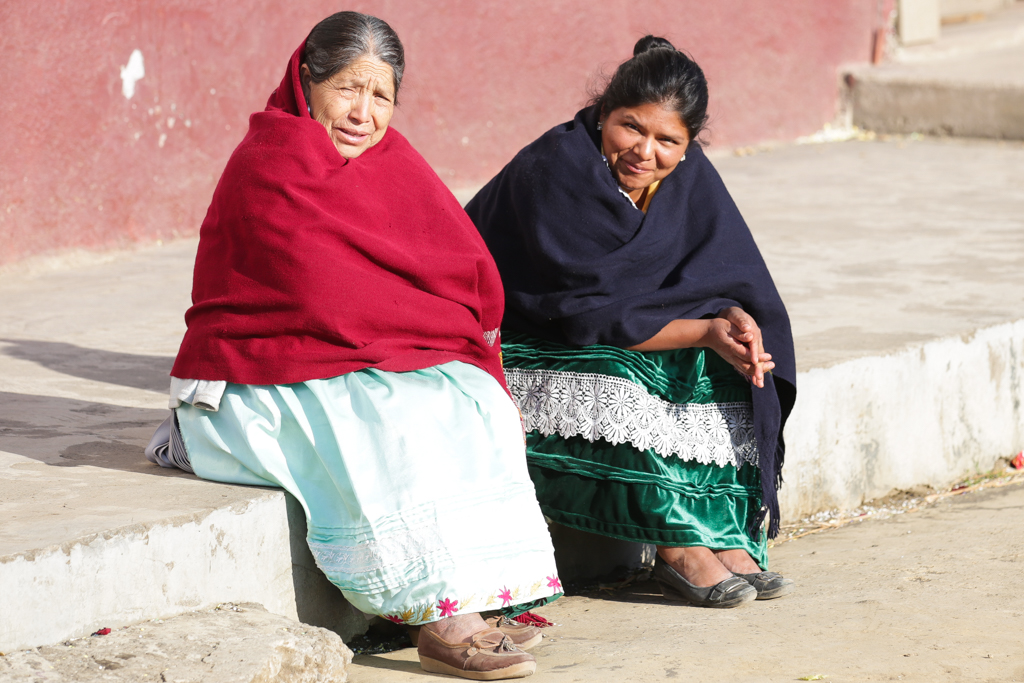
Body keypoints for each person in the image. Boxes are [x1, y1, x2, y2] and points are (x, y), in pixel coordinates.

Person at [145, 12, 559, 679]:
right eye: (347, 89)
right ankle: (440, 620)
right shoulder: (271, 161)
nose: (363, 113)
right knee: (390, 417)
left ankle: (472, 596)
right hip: (257, 377)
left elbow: (462, 271)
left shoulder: (396, 165)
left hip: (358, 359)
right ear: (306, 83)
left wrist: (429, 337)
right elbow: (317, 299)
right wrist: (413, 326)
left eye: (381, 96)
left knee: (469, 397)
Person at [465, 35, 797, 609]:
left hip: (607, 318)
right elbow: (584, 312)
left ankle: (721, 531)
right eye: (629, 128)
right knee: (622, 370)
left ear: (690, 144)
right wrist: (700, 330)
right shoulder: (556, 171)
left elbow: (721, 271)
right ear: (602, 115)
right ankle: (676, 544)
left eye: (667, 140)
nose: (645, 151)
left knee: (726, 364)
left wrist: (735, 316)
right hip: (517, 330)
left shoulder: (687, 176)